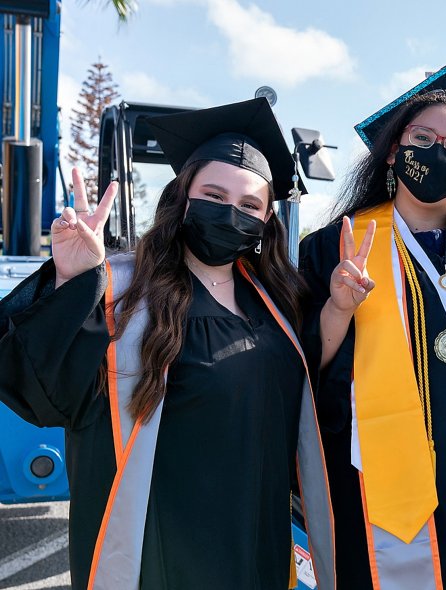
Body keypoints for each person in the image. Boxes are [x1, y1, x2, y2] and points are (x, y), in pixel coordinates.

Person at [0, 98, 334, 590]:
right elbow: (44, 391)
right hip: (165, 545)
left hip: (256, 536)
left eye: (248, 206)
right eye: (214, 196)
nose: (230, 213)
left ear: (266, 222)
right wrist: (73, 280)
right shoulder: (124, 292)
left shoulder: (276, 301)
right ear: (183, 197)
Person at [299, 67, 446, 589]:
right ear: (393, 151)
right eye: (422, 138)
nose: (438, 152)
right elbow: (305, 367)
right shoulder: (340, 244)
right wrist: (338, 308)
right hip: (377, 483)